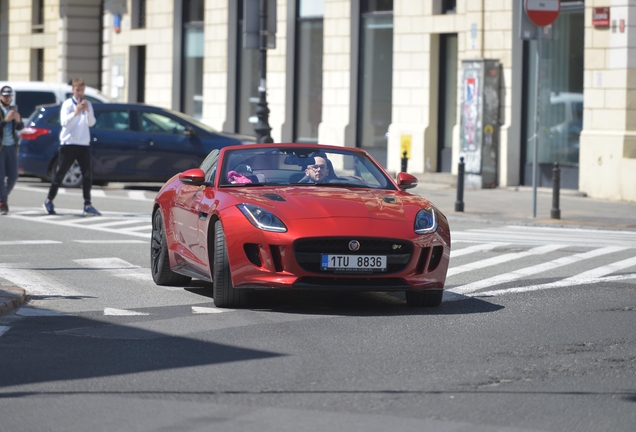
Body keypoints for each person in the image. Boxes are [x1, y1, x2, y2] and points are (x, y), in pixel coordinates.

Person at [43, 78, 100, 216]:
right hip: (68, 143)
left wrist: (87, 111)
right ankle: (49, 200)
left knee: (87, 175)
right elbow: (64, 122)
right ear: (73, 90)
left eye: (82, 90)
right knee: (60, 173)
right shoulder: (68, 104)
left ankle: (87, 204)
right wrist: (76, 112)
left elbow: (91, 123)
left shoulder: (88, 104)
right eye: (78, 90)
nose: (80, 93)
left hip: (83, 144)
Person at [0, 85, 24, 215]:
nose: (7, 98)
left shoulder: (13, 110)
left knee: (14, 176)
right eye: (5, 96)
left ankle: (2, 196)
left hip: (11, 147)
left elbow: (20, 128)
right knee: (0, 176)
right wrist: (5, 120)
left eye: (9, 96)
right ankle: (3, 203)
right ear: (0, 96)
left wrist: (18, 121)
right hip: (1, 148)